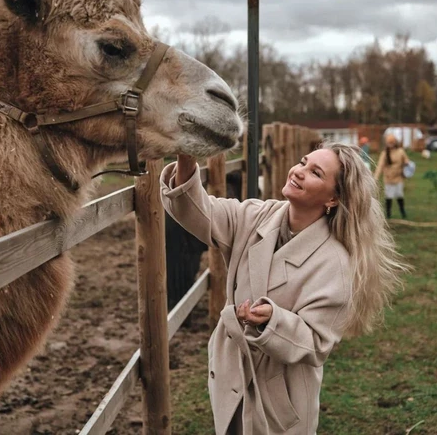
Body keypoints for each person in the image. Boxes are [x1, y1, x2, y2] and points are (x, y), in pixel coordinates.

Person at [160, 141, 408, 434]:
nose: (299, 171)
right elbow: (200, 212)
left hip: (280, 400)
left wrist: (273, 322)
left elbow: (316, 344)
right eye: (303, 162)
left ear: (333, 199)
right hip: (230, 377)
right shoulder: (256, 216)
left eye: (315, 172)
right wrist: (185, 155)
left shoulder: (335, 264)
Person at [374, 134, 410, 219]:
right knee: (389, 196)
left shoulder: (400, 151)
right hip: (389, 178)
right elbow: (380, 166)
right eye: (389, 143)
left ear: (395, 143)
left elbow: (406, 160)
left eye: (392, 142)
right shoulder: (384, 153)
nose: (390, 144)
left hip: (398, 178)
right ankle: (388, 214)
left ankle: (402, 212)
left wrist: (407, 163)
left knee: (399, 195)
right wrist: (376, 177)